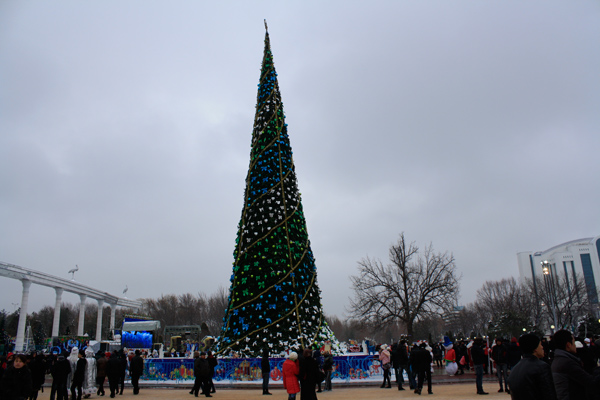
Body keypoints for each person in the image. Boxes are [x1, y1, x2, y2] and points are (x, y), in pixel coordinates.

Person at [551, 329, 600, 400]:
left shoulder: (560, 359)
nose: (575, 346)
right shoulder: (567, 362)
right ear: (568, 345)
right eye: (573, 342)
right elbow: (590, 382)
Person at [507, 333, 556, 400]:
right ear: (535, 348)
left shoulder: (515, 369)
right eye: (540, 344)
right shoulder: (541, 367)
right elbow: (549, 394)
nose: (542, 347)